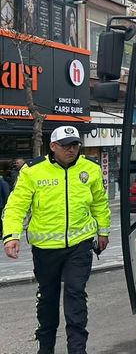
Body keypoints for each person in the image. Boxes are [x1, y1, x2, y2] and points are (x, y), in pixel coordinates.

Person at [2, 126, 110, 354]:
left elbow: (99, 203)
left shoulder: (90, 168)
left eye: (76, 145)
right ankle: (46, 347)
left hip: (79, 245)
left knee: (76, 294)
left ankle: (78, 349)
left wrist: (103, 232)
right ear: (53, 147)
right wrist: (11, 235)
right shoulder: (33, 171)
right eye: (66, 145)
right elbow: (16, 205)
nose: (72, 149)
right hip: (45, 249)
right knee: (48, 298)